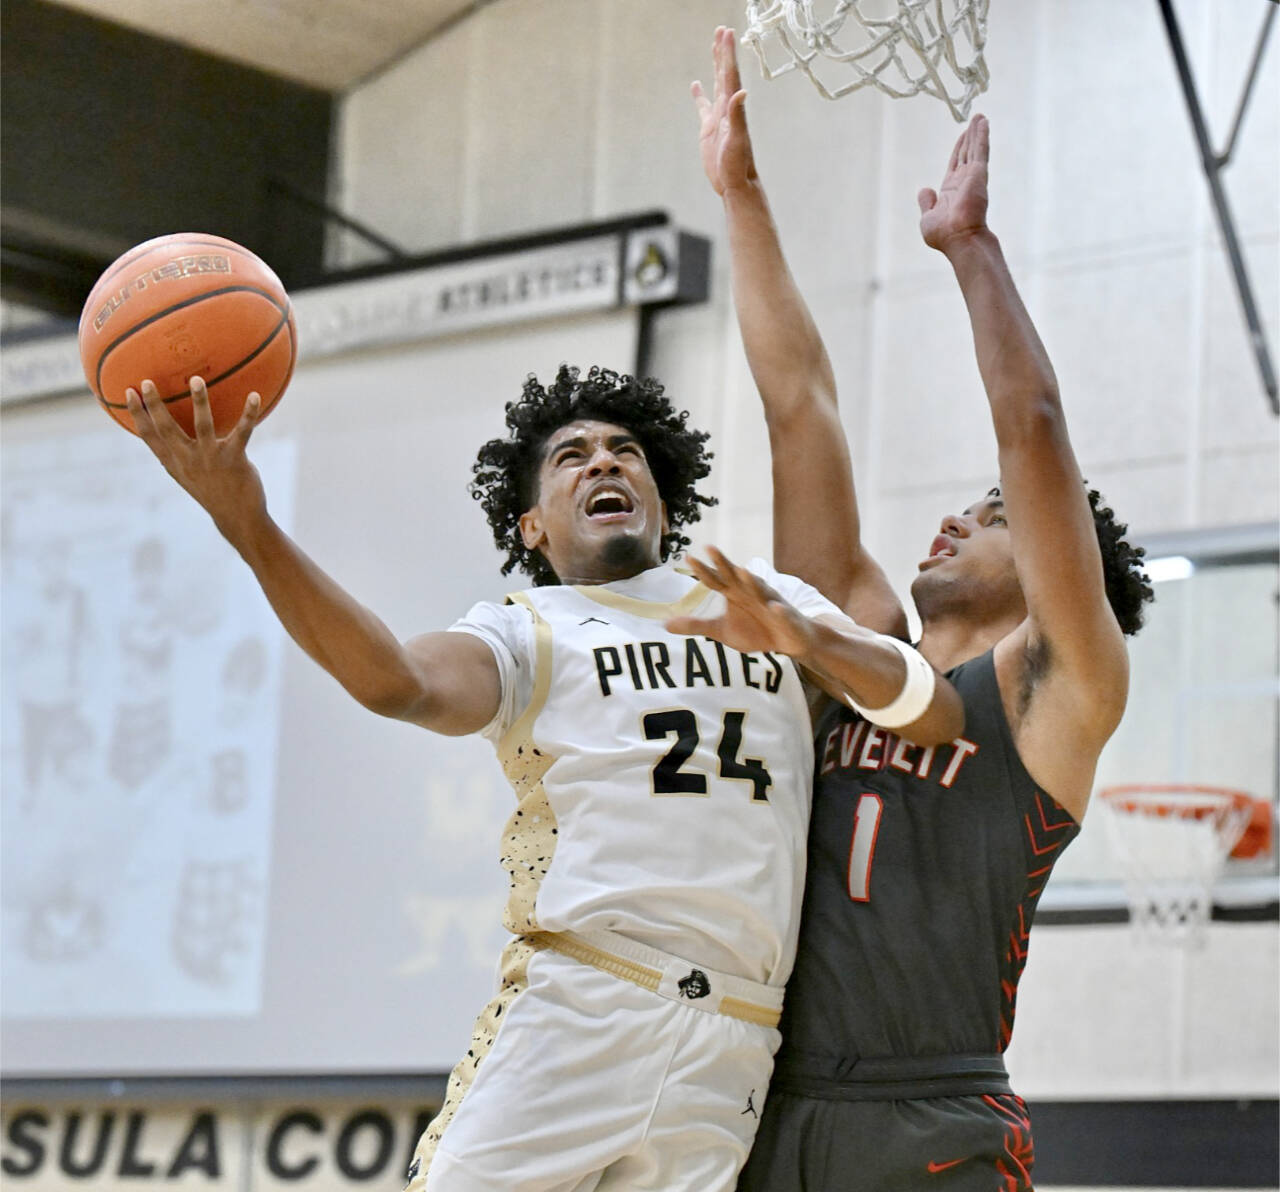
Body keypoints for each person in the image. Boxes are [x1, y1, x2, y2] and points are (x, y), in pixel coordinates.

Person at [124, 361, 962, 1190]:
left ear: (662, 502)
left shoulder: (768, 603)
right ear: (531, 527)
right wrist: (249, 523)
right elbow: (396, 680)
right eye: (572, 456)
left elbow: (936, 717)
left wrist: (813, 642)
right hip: (586, 1004)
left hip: (736, 1035)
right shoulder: (530, 631)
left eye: (624, 450)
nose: (604, 461)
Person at [692, 27, 1153, 1190]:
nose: (953, 521)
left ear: (1056, 560)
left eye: (989, 515)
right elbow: (798, 406)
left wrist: (967, 252)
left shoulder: (1056, 693)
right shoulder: (854, 634)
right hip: (763, 1102)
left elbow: (1032, 427)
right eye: (955, 509)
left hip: (927, 1120)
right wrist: (739, 196)